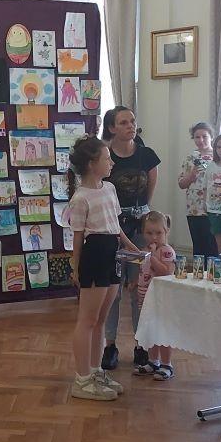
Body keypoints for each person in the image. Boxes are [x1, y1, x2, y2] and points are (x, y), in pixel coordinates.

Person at [68, 135, 139, 401]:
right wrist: (76, 267)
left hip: (112, 253)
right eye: (107, 158)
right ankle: (81, 379)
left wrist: (131, 247)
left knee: (100, 319)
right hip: (95, 255)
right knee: (87, 320)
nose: (112, 163)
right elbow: (78, 237)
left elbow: (115, 226)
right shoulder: (80, 198)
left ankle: (95, 371)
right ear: (91, 164)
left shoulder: (109, 188)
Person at [100, 106, 160, 371]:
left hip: (139, 228)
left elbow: (151, 184)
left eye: (132, 121)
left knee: (139, 288)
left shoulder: (146, 155)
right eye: (124, 122)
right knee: (113, 291)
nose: (130, 126)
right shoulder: (105, 154)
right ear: (112, 127)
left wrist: (143, 215)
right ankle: (110, 345)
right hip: (111, 228)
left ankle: (140, 344)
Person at [133, 211, 176, 380]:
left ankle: (166, 364)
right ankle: (153, 361)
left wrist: (151, 257)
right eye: (149, 233)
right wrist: (134, 282)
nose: (154, 237)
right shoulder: (146, 251)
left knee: (162, 331)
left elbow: (166, 271)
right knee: (150, 330)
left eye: (158, 233)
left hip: (161, 299)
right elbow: (144, 271)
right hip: (146, 298)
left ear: (166, 232)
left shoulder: (166, 251)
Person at [178, 121, 218, 260]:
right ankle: (198, 273)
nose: (201, 140)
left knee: (212, 246)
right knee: (198, 246)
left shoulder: (218, 156)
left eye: (204, 136)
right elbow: (181, 184)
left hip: (214, 209)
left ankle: (213, 273)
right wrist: (192, 175)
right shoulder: (190, 158)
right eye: (197, 137)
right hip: (193, 208)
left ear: (211, 137)